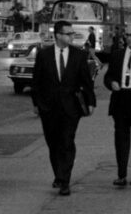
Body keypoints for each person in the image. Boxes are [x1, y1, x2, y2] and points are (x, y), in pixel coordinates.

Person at [31, 19, 96, 195]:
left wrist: (91, 102)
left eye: (72, 33)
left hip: (70, 107)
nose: (71, 36)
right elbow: (36, 82)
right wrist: (36, 104)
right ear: (58, 35)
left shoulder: (79, 55)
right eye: (68, 33)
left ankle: (65, 180)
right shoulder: (44, 55)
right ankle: (58, 175)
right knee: (53, 143)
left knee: (67, 142)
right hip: (48, 107)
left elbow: (86, 82)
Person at [100, 19, 131, 188]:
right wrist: (111, 83)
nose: (129, 39)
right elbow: (108, 76)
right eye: (127, 35)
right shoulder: (118, 55)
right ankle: (121, 174)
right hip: (120, 100)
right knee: (121, 139)